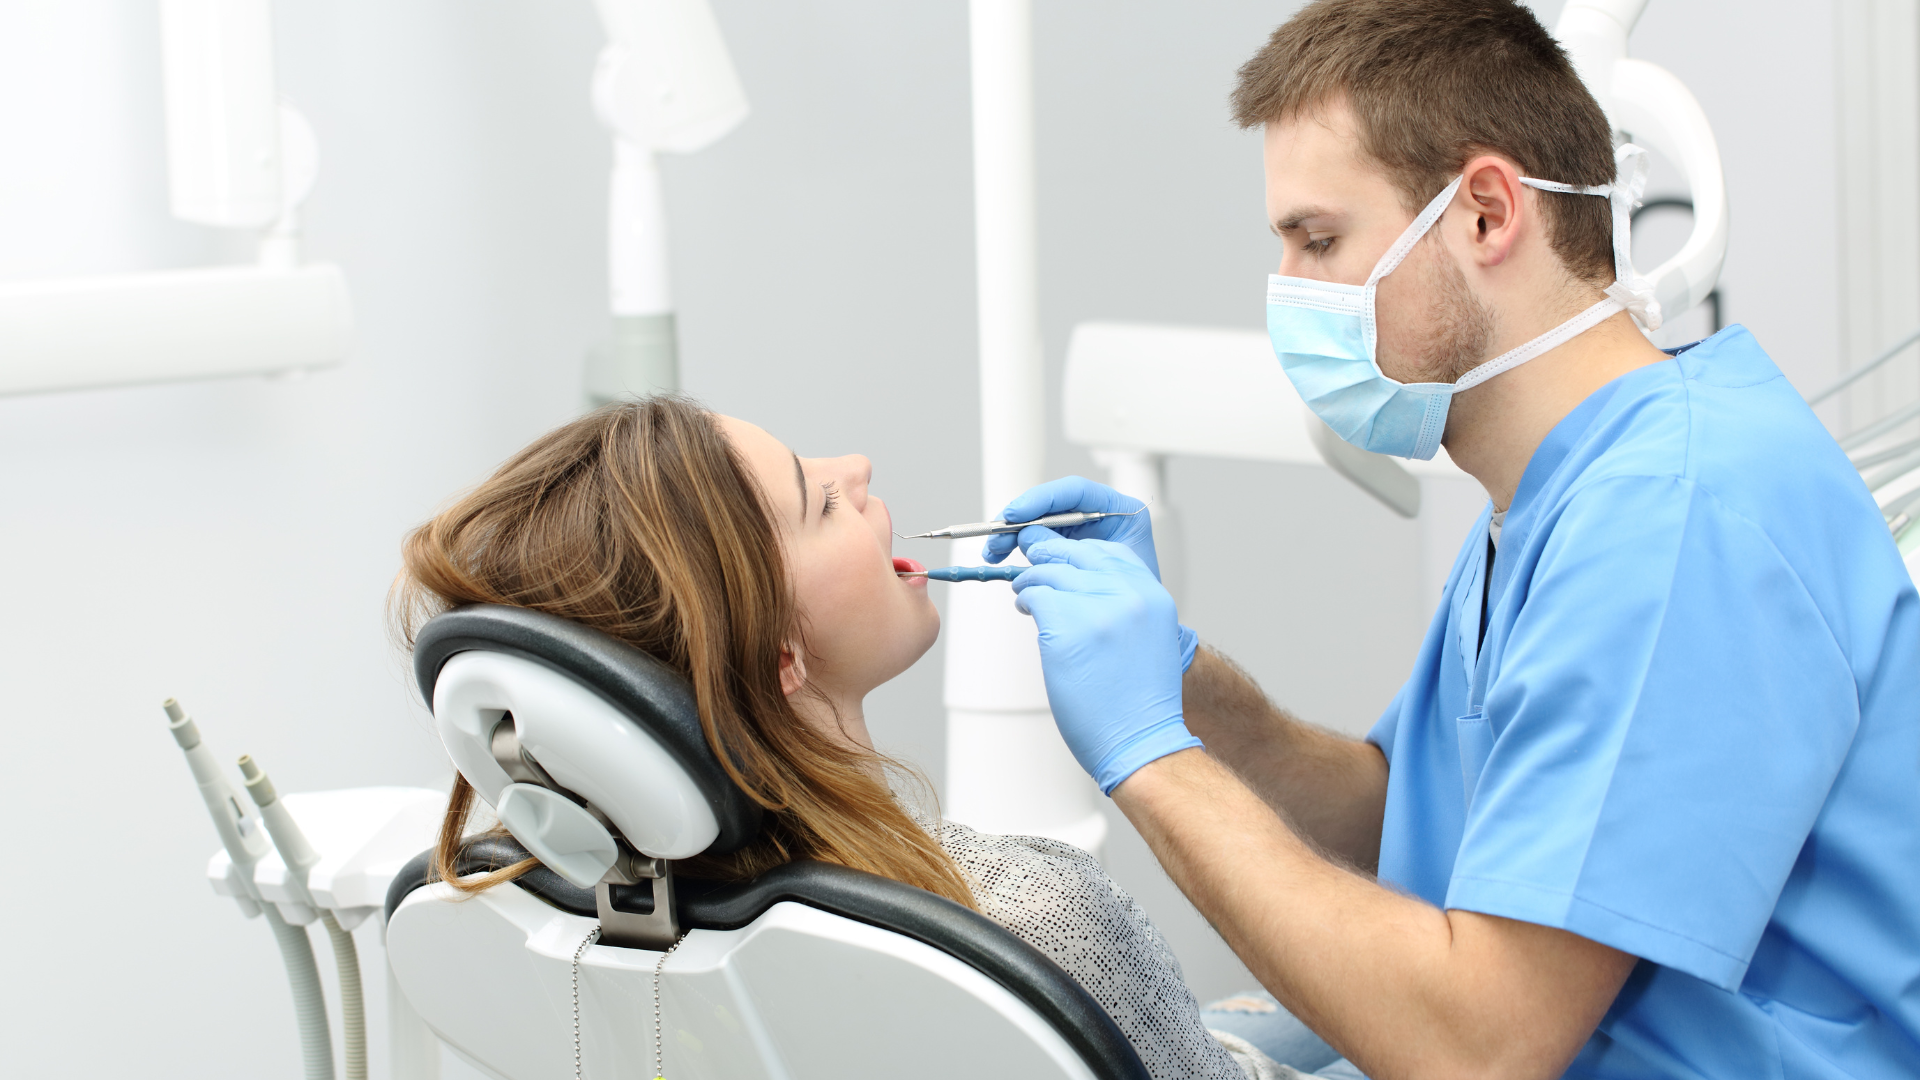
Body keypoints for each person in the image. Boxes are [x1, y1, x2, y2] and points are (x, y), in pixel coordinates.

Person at [984, 2, 1920, 1078]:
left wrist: (1150, 758)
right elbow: (1411, 815)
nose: (1290, 293)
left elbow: (1480, 1046)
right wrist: (1182, 681)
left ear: (1484, 214)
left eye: (1321, 240)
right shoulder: (1557, 494)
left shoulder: (1672, 519)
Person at [390, 396, 1291, 1080]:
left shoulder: (570, 920)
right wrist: (1155, 744)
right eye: (820, 502)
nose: (857, 466)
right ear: (782, 653)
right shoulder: (1030, 921)